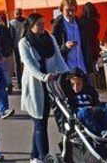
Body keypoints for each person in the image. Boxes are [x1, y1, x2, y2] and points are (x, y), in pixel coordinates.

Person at [20, 12, 69, 163]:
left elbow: (59, 60)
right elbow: (29, 65)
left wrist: (68, 74)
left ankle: (34, 156)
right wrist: (43, 76)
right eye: (39, 24)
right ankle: (44, 157)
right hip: (35, 87)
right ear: (31, 26)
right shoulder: (24, 43)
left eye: (43, 23)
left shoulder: (50, 38)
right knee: (40, 122)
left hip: (50, 85)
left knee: (42, 121)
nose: (43, 27)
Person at [67, 68, 107, 137]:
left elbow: (96, 102)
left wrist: (96, 107)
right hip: (80, 113)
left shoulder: (89, 91)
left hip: (93, 109)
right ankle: (101, 132)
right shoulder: (70, 94)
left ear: (83, 83)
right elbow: (70, 107)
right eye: (73, 84)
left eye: (78, 84)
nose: (75, 87)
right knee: (85, 111)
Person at [52, 0, 94, 79]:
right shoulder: (57, 25)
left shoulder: (81, 24)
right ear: (61, 10)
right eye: (67, 10)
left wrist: (90, 66)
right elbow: (53, 49)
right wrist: (65, 47)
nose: (71, 13)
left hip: (82, 68)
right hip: (67, 69)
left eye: (73, 10)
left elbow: (87, 46)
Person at [80, 2, 102, 75]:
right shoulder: (95, 23)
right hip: (94, 47)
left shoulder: (80, 23)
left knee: (88, 71)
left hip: (85, 49)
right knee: (94, 69)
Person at [9, 8, 27, 90]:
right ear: (21, 13)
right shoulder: (26, 21)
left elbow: (11, 35)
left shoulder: (12, 22)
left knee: (17, 64)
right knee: (26, 63)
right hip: (26, 45)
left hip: (16, 45)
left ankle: (19, 82)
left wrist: (11, 46)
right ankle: (26, 80)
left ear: (15, 13)